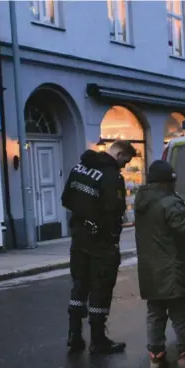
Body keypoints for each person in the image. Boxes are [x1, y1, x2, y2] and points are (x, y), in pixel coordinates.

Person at [134, 160, 185, 368]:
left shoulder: (141, 201)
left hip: (150, 269)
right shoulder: (170, 203)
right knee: (181, 314)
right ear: (167, 181)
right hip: (173, 268)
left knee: (155, 312)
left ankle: (156, 357)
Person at [61, 139, 137, 355]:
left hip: (79, 237)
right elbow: (115, 208)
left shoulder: (79, 168)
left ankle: (74, 334)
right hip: (102, 241)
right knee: (101, 288)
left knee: (79, 285)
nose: (124, 165)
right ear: (120, 154)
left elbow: (66, 198)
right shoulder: (112, 177)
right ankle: (98, 340)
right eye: (125, 161)